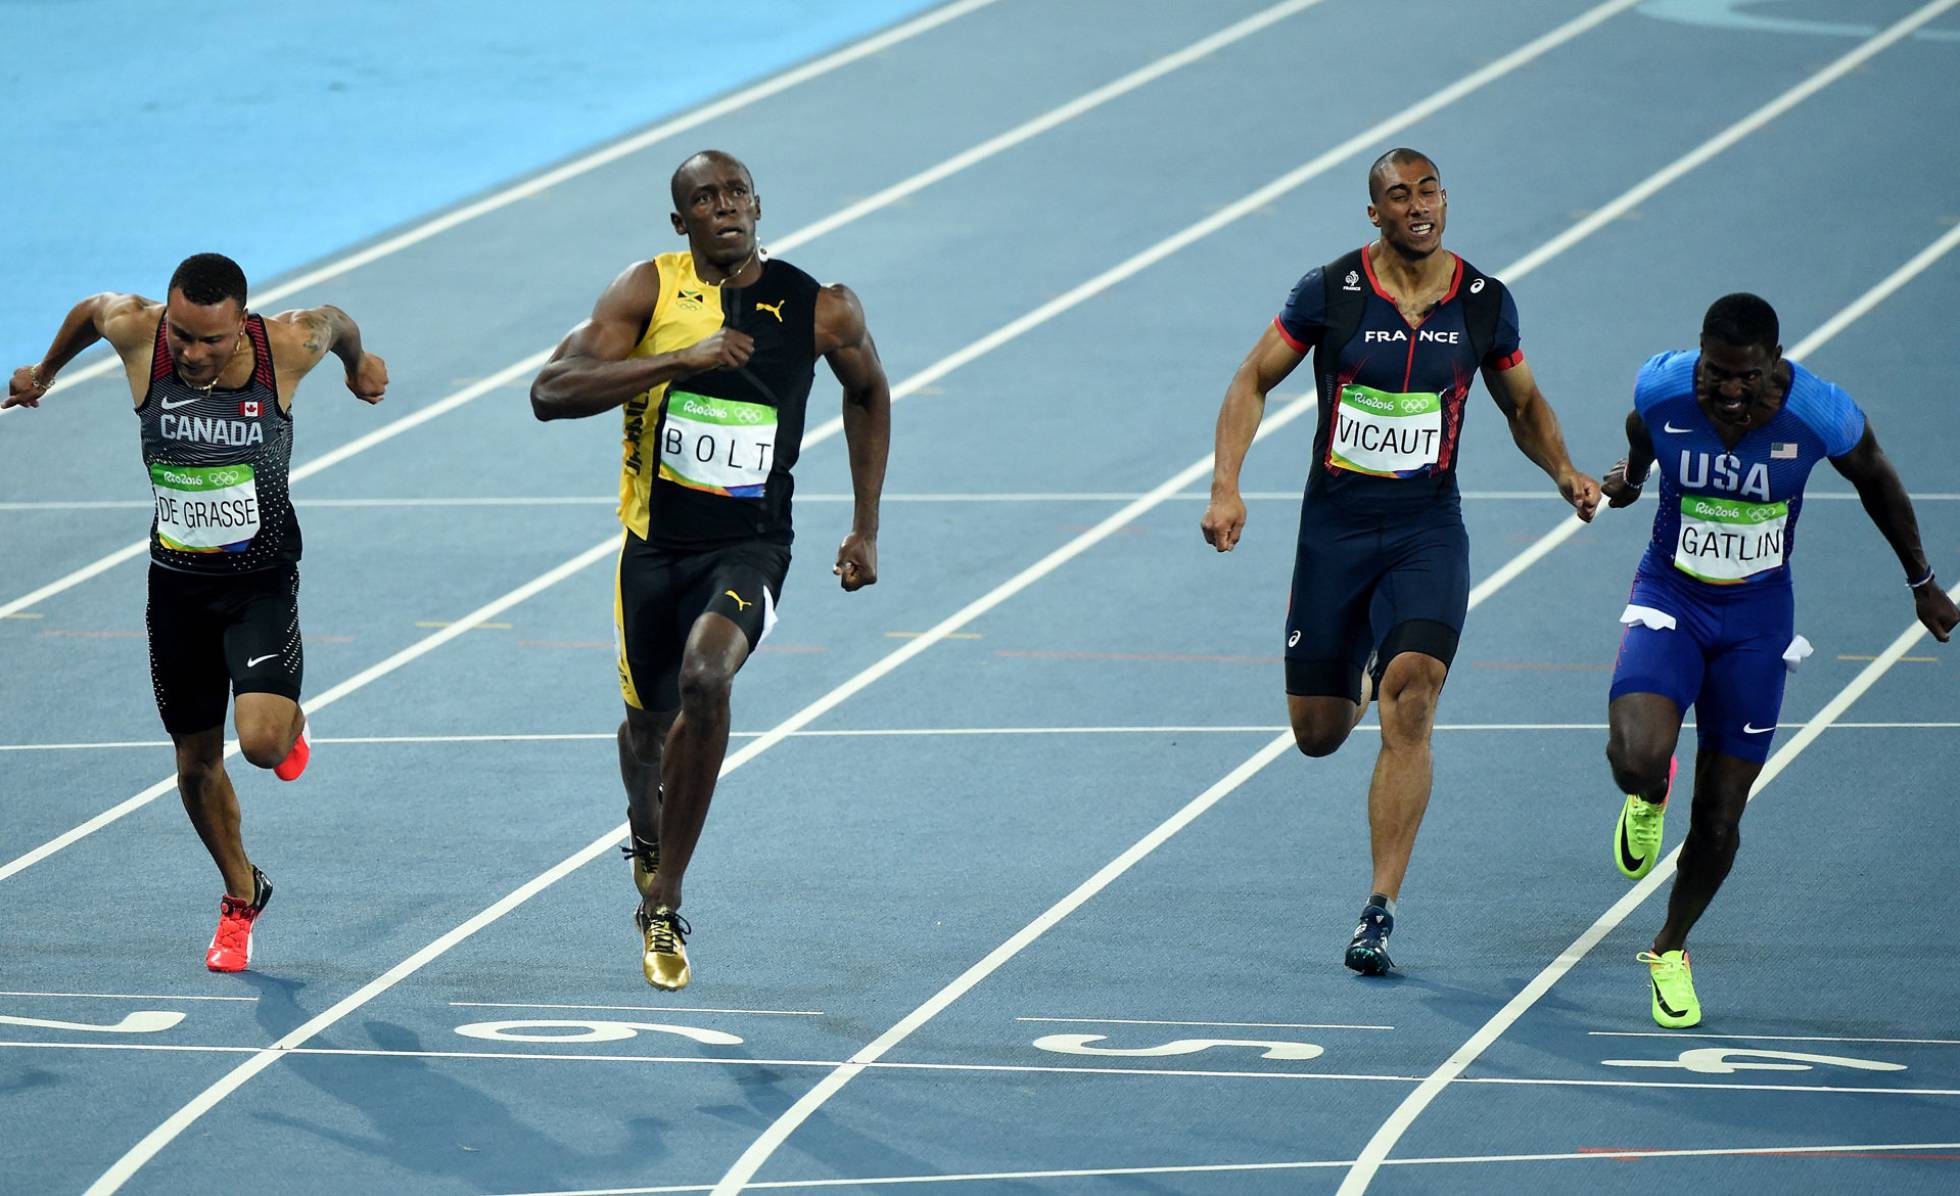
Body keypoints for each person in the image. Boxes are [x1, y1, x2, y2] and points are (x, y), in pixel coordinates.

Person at [1200, 148, 1600, 975]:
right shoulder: (1330, 292)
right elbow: (1250, 381)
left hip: (1426, 529)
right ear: (1373, 214)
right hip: (1335, 533)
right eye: (1397, 195)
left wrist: (1563, 471)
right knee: (1316, 736)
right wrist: (1226, 486)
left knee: (1412, 695)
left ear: (1445, 201)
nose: (1417, 206)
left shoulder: (1485, 304)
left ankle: (1378, 909)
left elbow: (1522, 403)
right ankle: (1355, 667)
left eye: (1428, 191)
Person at [530, 149, 890, 991]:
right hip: (653, 549)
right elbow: (550, 391)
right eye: (704, 198)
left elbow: (869, 392)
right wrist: (677, 362)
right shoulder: (646, 292)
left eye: (735, 193)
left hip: (751, 546)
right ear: (680, 220)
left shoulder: (820, 307)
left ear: (759, 204)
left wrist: (865, 526)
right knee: (647, 733)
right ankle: (644, 831)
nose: (723, 206)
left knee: (707, 679)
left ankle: (665, 897)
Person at [6, 252, 388, 971]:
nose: (192, 352)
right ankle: (242, 896)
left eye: (210, 340)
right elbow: (92, 310)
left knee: (266, 747)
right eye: (181, 335)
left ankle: (289, 717)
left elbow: (336, 322)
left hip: (260, 583)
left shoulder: (287, 345)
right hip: (176, 587)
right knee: (194, 765)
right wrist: (43, 374)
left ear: (241, 324)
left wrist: (356, 365)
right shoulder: (139, 335)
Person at [1601, 292, 1955, 1027]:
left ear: (1776, 363)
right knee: (1636, 757)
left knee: (1722, 819)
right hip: (1671, 595)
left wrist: (1922, 582)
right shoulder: (1662, 385)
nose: (1728, 389)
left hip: (1757, 621)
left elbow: (1878, 480)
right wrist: (1634, 482)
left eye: (1745, 377)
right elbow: (1644, 427)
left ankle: (1671, 947)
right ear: (1696, 355)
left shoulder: (1821, 413)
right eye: (1714, 373)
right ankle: (1648, 794)